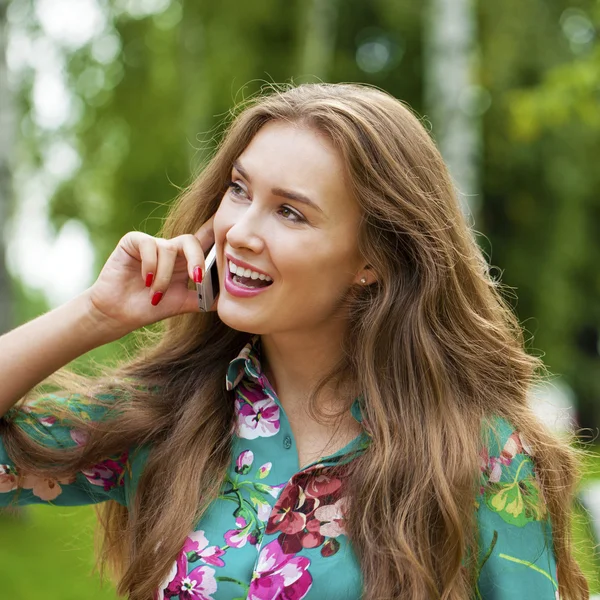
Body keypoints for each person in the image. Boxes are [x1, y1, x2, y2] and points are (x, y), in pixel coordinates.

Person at [0, 82, 589, 600]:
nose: (240, 233)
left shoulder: (476, 453)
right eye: (239, 190)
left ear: (372, 258)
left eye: (290, 213)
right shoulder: (168, 416)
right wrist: (97, 313)